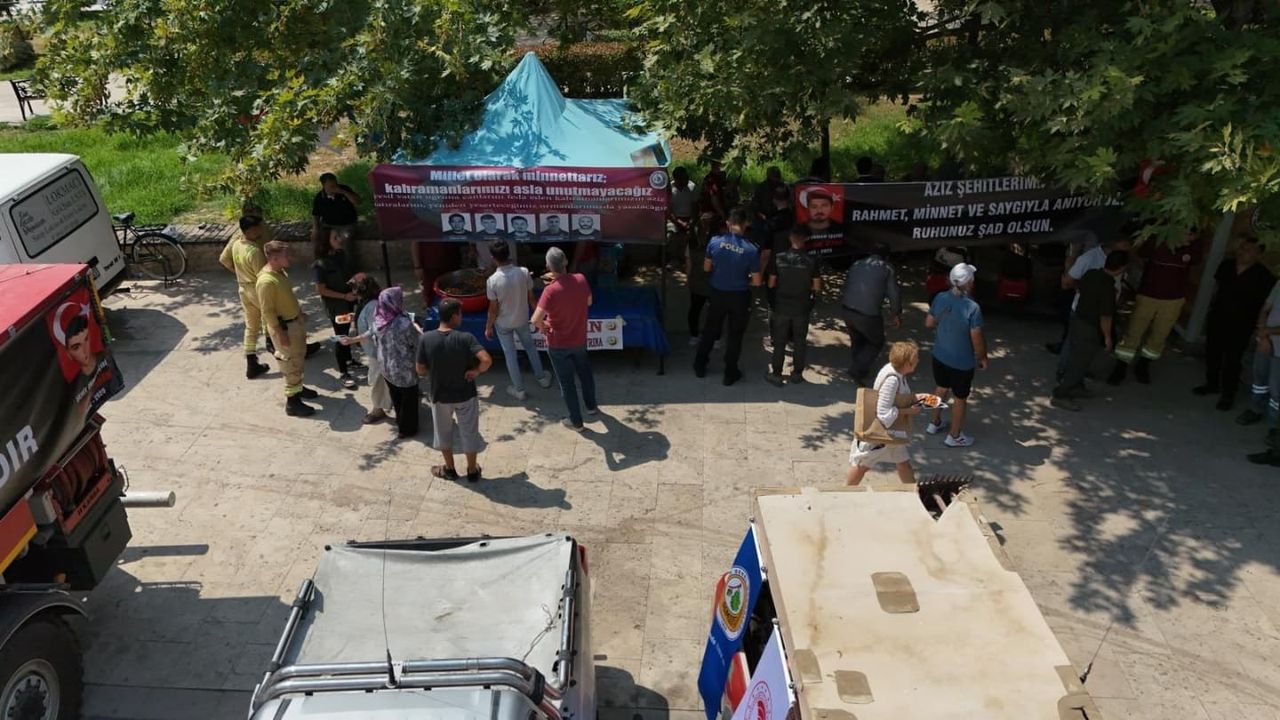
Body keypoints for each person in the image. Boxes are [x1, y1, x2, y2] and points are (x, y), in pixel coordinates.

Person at [1108, 230, 1203, 385]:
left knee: (1160, 335)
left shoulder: (1194, 245)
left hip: (1174, 299)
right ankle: (1121, 366)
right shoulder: (1158, 238)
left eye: (1192, 234)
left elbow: (1196, 259)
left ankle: (1144, 365)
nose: (1189, 237)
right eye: (1186, 233)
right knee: (1133, 331)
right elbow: (1141, 253)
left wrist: (1187, 244)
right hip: (1148, 295)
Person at [1194, 236, 1275, 410]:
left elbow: (1266, 305)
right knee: (1212, 352)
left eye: (1248, 250)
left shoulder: (1264, 276)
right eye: (1242, 248)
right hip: (1218, 317)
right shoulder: (1227, 266)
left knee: (1233, 359)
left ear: (1258, 255)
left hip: (1242, 324)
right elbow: (1217, 288)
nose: (1242, 252)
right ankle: (1212, 384)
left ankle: (1228, 394)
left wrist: (1260, 327)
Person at [417, 298, 492, 480]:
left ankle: (449, 469)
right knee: (469, 431)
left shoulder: (426, 338)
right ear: (453, 316)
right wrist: (475, 371)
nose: (461, 316)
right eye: (460, 313)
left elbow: (420, 370)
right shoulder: (466, 338)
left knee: (443, 432)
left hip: (440, 394)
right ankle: (472, 470)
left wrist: (434, 370)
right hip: (465, 394)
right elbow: (486, 360)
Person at [1051, 250, 1129, 411]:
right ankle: (1061, 394)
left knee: (1079, 358)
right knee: (1079, 363)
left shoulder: (1091, 274)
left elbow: (1078, 287)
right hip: (1090, 327)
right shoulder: (1108, 288)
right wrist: (1107, 337)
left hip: (1078, 320)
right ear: (1121, 268)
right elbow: (1105, 316)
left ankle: (1077, 387)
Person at [532, 247, 599, 430]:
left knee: (567, 383)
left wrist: (544, 327)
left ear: (548, 266)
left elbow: (535, 319)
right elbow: (589, 302)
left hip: (558, 343)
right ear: (566, 262)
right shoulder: (581, 279)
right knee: (585, 374)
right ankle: (591, 407)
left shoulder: (550, 291)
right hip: (579, 339)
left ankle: (576, 421)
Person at [694, 207, 762, 386]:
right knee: (735, 335)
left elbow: (706, 268)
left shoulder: (714, 242)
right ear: (745, 224)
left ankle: (700, 365)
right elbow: (756, 281)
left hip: (717, 293)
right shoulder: (751, 249)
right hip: (739, 297)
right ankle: (730, 373)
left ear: (728, 223)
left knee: (710, 330)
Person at [925, 262, 988, 446]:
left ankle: (933, 422)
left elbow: (929, 323)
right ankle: (954, 436)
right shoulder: (972, 308)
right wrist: (982, 357)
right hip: (961, 362)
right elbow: (976, 338)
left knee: (940, 387)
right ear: (968, 283)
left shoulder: (940, 297)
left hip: (939, 355)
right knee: (960, 398)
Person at [847, 341, 922, 486]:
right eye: (915, 359)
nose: (918, 361)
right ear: (907, 364)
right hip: (881, 434)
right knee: (861, 465)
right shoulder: (892, 380)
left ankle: (914, 493)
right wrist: (909, 411)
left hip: (892, 432)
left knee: (903, 463)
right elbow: (883, 413)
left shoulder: (895, 372)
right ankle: (845, 493)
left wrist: (915, 398)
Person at [485, 241, 553, 401]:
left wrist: (488, 327)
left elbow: (493, 309)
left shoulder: (492, 281)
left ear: (493, 258)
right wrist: (541, 318)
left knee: (510, 355)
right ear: (509, 254)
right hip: (522, 319)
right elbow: (532, 299)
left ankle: (519, 389)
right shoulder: (523, 272)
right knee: (530, 347)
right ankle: (542, 378)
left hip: (503, 323)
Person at [257, 241, 318, 417]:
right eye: (285, 255)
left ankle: (299, 388)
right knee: (290, 364)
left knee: (298, 358)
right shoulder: (266, 282)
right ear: (274, 259)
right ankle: (293, 402)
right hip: (285, 328)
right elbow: (267, 311)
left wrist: (298, 313)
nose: (289, 257)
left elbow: (287, 297)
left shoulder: (280, 273)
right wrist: (280, 334)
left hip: (294, 323)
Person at [365, 287, 422, 438]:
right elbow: (416, 344)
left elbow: (372, 335)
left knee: (396, 396)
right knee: (409, 400)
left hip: (386, 367)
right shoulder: (404, 323)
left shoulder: (378, 319)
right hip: (405, 370)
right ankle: (407, 430)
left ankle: (400, 420)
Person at [841, 243, 902, 386]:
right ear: (886, 256)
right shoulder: (887, 268)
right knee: (876, 341)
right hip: (868, 314)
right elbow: (894, 294)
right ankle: (857, 370)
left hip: (847, 309)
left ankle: (859, 366)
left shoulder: (857, 264)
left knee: (857, 338)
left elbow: (846, 284)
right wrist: (896, 314)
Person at [765, 225, 819, 386]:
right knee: (799, 341)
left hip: (781, 306)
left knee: (779, 341)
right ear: (806, 240)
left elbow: (771, 283)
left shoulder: (779, 258)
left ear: (790, 238)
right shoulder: (812, 260)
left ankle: (776, 374)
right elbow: (816, 286)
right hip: (801, 307)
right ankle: (797, 374)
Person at [219, 215, 271, 379]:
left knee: (251, 326)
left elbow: (226, 260)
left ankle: (251, 361)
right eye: (258, 228)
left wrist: (241, 275)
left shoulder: (236, 244)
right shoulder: (254, 252)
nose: (261, 230)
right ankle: (280, 349)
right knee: (273, 318)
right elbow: (263, 276)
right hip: (256, 288)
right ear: (251, 230)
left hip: (243, 288)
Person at [339, 274, 394, 425]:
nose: (352, 291)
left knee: (377, 380)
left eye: (353, 287)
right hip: (376, 351)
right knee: (382, 379)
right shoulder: (367, 302)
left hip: (378, 352)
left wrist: (353, 340)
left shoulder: (372, 306)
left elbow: (374, 331)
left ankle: (378, 410)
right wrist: (356, 317)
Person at [313, 228, 361, 389]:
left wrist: (354, 287)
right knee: (341, 337)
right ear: (325, 242)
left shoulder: (340, 255)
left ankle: (349, 360)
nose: (339, 240)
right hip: (337, 307)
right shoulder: (320, 265)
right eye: (335, 238)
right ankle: (343, 371)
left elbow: (348, 275)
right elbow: (321, 290)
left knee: (347, 332)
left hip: (349, 302)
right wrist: (344, 296)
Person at [1240, 280, 1280, 432]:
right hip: (1266, 341)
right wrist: (1263, 335)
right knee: (1259, 379)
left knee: (1277, 389)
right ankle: (1255, 409)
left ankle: (1275, 427)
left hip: (1271, 340)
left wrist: (1266, 332)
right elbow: (1265, 309)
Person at [311, 173, 360, 263]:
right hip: (328, 225)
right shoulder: (319, 197)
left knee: (345, 239)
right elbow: (315, 215)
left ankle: (348, 266)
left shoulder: (344, 190)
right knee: (318, 239)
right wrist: (315, 229)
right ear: (324, 185)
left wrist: (344, 192)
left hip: (347, 224)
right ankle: (319, 264)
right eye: (331, 186)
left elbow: (357, 202)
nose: (334, 187)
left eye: (335, 184)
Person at [686, 212, 718, 347]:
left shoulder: (691, 243)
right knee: (715, 311)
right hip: (714, 281)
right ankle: (716, 338)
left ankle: (694, 336)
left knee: (695, 309)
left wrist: (688, 278)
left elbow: (689, 263)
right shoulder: (717, 243)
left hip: (697, 280)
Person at [668, 166, 698, 265]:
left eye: (686, 177)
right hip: (674, 220)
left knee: (689, 239)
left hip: (689, 219)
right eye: (683, 178)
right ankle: (673, 260)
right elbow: (668, 211)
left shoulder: (691, 187)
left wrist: (691, 222)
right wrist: (679, 222)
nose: (686, 180)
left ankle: (686, 261)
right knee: (672, 236)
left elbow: (695, 207)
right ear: (677, 179)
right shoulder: (669, 190)